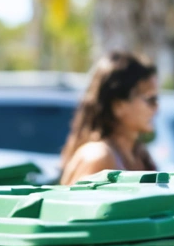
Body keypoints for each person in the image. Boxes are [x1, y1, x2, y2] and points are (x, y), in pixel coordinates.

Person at [60, 52, 160, 184]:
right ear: (118, 105)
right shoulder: (99, 157)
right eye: (150, 99)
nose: (156, 107)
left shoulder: (139, 154)